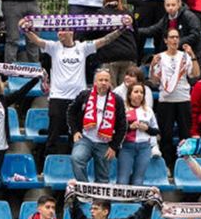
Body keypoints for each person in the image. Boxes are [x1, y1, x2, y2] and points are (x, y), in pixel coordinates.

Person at [24, 20, 129, 162]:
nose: (59, 33)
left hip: (78, 98)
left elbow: (104, 40)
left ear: (71, 32)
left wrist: (121, 29)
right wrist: (24, 28)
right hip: (57, 97)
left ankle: (71, 165)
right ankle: (47, 164)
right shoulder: (53, 47)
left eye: (63, 29)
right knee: (53, 134)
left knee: (75, 134)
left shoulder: (83, 47)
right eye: (58, 30)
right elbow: (36, 40)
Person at [150, 29, 199, 169]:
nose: (174, 40)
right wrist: (153, 65)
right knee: (166, 136)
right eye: (171, 37)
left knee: (185, 134)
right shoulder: (159, 57)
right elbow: (154, 81)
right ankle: (167, 166)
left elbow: (195, 74)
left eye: (177, 37)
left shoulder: (185, 56)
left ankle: (186, 166)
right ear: (165, 40)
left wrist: (192, 55)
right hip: (166, 100)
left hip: (183, 99)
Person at [68, 69, 127, 183]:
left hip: (105, 143)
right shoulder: (85, 95)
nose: (104, 83)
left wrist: (114, 146)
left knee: (103, 178)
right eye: (101, 80)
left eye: (106, 80)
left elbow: (122, 125)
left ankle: (100, 200)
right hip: (86, 139)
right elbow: (71, 112)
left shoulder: (117, 100)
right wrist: (75, 131)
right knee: (77, 158)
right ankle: (84, 189)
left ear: (110, 83)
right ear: (95, 82)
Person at [136, 0, 201, 68]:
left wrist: (178, 42)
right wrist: (135, 30)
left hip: (195, 55)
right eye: (168, 5)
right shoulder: (166, 18)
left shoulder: (188, 16)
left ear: (179, 4)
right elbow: (153, 30)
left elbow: (195, 34)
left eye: (173, 5)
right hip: (178, 57)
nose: (170, 7)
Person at [115, 83, 158, 185]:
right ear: (129, 95)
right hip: (127, 147)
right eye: (136, 92)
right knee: (122, 179)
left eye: (141, 92)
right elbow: (116, 130)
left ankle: (135, 201)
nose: (139, 94)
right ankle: (120, 201)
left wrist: (147, 128)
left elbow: (156, 131)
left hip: (144, 148)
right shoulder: (123, 110)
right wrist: (130, 127)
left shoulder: (148, 110)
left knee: (138, 179)